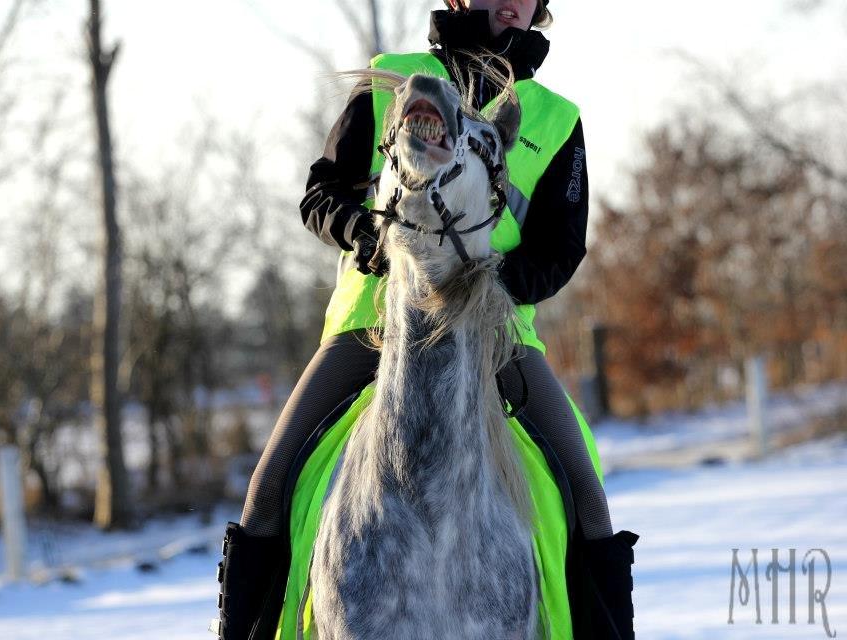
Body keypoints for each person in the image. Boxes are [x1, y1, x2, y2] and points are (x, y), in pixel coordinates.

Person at [215, 2, 637, 639]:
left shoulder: (556, 120)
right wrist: (367, 237)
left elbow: (560, 248)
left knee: (587, 498)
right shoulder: (393, 78)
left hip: (498, 343)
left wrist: (488, 284)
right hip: (370, 328)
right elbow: (323, 191)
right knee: (266, 491)